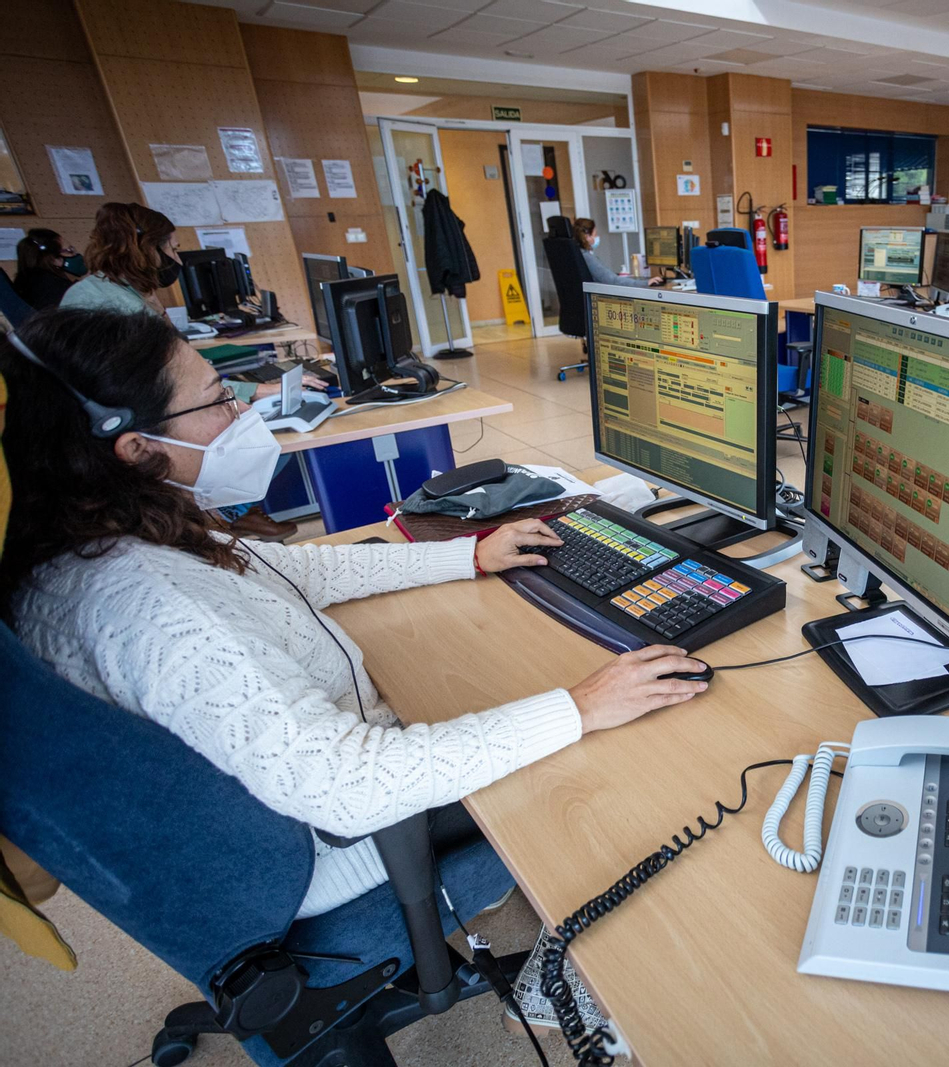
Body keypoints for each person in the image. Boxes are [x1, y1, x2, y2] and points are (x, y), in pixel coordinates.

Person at [0, 307, 711, 921]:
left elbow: (292, 568)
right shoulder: (156, 606)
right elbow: (348, 786)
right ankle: (596, 968)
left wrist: (467, 556)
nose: (242, 412)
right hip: (323, 848)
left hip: (256, 813)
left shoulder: (95, 536)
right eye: (219, 399)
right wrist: (580, 708)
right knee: (642, 756)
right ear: (138, 448)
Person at [62, 202, 312, 540]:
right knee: (256, 437)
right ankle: (231, 515)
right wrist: (252, 394)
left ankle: (231, 515)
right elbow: (171, 386)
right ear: (147, 248)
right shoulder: (107, 307)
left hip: (154, 422)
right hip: (146, 427)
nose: (177, 261)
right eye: (172, 249)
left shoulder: (124, 294)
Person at [575, 217, 663, 288]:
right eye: (595, 234)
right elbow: (612, 281)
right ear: (587, 237)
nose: (598, 237)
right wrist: (646, 283)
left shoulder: (576, 254)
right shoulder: (587, 257)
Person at [12, 229, 84, 311]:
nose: (75, 254)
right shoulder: (56, 287)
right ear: (54, 259)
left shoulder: (25, 280)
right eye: (69, 250)